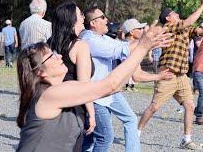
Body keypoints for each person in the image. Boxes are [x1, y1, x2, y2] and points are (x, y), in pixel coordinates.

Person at [16, 19, 171, 151]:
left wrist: (143, 48)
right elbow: (110, 85)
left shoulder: (65, 87)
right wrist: (142, 47)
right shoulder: (50, 94)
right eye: (51, 57)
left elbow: (115, 86)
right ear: (40, 73)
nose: (59, 56)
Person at [81, 8, 172, 152]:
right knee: (104, 138)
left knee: (93, 136)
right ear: (93, 22)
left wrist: (149, 42)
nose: (107, 20)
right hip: (97, 95)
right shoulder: (90, 39)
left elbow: (124, 51)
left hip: (108, 92)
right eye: (103, 17)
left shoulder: (105, 39)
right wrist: (148, 43)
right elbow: (136, 74)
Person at [138, 0, 203, 150]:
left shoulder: (185, 29)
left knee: (190, 105)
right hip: (168, 74)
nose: (177, 14)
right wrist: (202, 6)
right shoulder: (169, 27)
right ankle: (135, 133)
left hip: (181, 76)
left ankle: (186, 139)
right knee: (154, 107)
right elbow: (189, 21)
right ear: (168, 18)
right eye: (173, 13)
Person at [48, 1, 95, 150]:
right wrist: (92, 114)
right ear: (71, 19)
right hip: (73, 109)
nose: (83, 17)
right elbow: (84, 85)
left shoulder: (49, 44)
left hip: (51, 105)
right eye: (80, 14)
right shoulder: (79, 46)